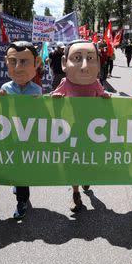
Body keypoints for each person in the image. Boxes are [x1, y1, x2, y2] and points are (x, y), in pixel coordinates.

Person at [51, 40, 111, 212]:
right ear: (64, 63)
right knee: (73, 163)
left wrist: (105, 97)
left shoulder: (95, 83)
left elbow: (102, 95)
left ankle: (86, 178)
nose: (84, 66)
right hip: (72, 131)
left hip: (92, 132)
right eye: (77, 58)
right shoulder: (66, 83)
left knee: (88, 161)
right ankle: (75, 193)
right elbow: (54, 97)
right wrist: (54, 98)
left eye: (91, 58)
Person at [0, 41, 43, 219]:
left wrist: (40, 104)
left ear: (36, 64)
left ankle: (22, 201)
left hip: (28, 138)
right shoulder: (5, 89)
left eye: (24, 62)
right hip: (10, 136)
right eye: (13, 61)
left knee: (23, 169)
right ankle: (18, 185)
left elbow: (42, 116)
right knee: (15, 167)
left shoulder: (37, 90)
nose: (18, 67)